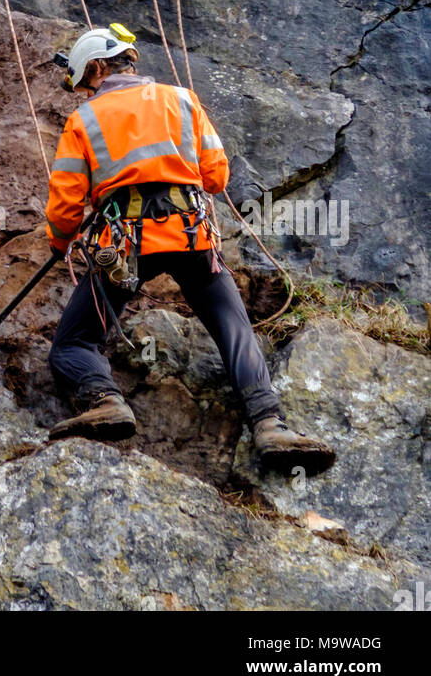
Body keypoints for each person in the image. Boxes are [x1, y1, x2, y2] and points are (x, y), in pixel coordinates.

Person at [44, 26, 336, 474]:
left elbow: (66, 207)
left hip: (124, 250)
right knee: (234, 329)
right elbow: (216, 176)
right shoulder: (182, 99)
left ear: (99, 68)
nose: (87, 91)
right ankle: (269, 423)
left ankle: (105, 399)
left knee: (72, 344)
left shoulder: (83, 120)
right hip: (192, 239)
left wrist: (60, 242)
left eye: (86, 81)